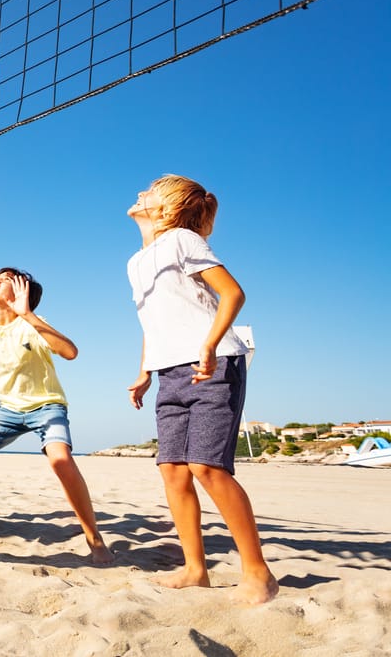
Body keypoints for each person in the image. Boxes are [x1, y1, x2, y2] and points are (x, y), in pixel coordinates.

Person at [125, 173, 278, 604]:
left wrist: (209, 345)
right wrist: (144, 372)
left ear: (168, 207)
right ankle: (195, 569)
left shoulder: (182, 240)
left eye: (150, 191)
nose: (140, 193)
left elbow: (233, 293)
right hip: (169, 372)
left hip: (214, 363)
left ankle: (258, 573)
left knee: (206, 467)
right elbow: (153, 323)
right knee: (173, 471)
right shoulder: (136, 262)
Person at [0, 271, 113, 563]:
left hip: (47, 406)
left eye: (6, 277)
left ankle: (94, 539)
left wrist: (28, 314)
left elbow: (70, 352)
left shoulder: (31, 323)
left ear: (22, 291)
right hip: (8, 409)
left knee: (60, 460)